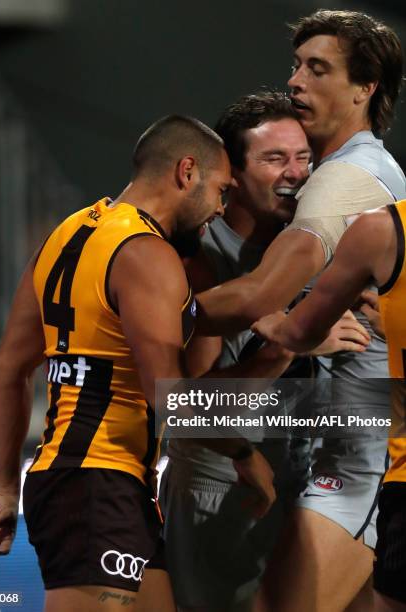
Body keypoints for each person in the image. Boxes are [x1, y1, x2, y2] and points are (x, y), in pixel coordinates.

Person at [0, 115, 287, 612]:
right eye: (221, 190)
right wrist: (244, 454)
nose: (221, 208)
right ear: (186, 172)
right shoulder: (148, 255)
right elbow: (170, 398)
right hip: (97, 486)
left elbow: (9, 368)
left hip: (91, 483)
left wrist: (5, 488)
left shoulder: (66, 236)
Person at [194, 10, 405, 611]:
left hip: (363, 450)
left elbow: (257, 303)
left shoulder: (346, 181)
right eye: (295, 66)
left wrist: (131, 306)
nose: (296, 81)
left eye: (318, 69)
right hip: (336, 438)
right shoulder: (353, 174)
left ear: (365, 89)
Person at [160, 91, 370, 612]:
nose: (296, 174)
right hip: (223, 488)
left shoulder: (317, 243)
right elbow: (187, 412)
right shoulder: (193, 262)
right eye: (275, 158)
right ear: (230, 170)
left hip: (313, 478)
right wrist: (286, 345)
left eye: (303, 157)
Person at [253, 199, 406, 612]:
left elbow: (181, 404)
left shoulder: (380, 226)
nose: (294, 172)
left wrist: (276, 329)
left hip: (358, 479)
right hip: (335, 469)